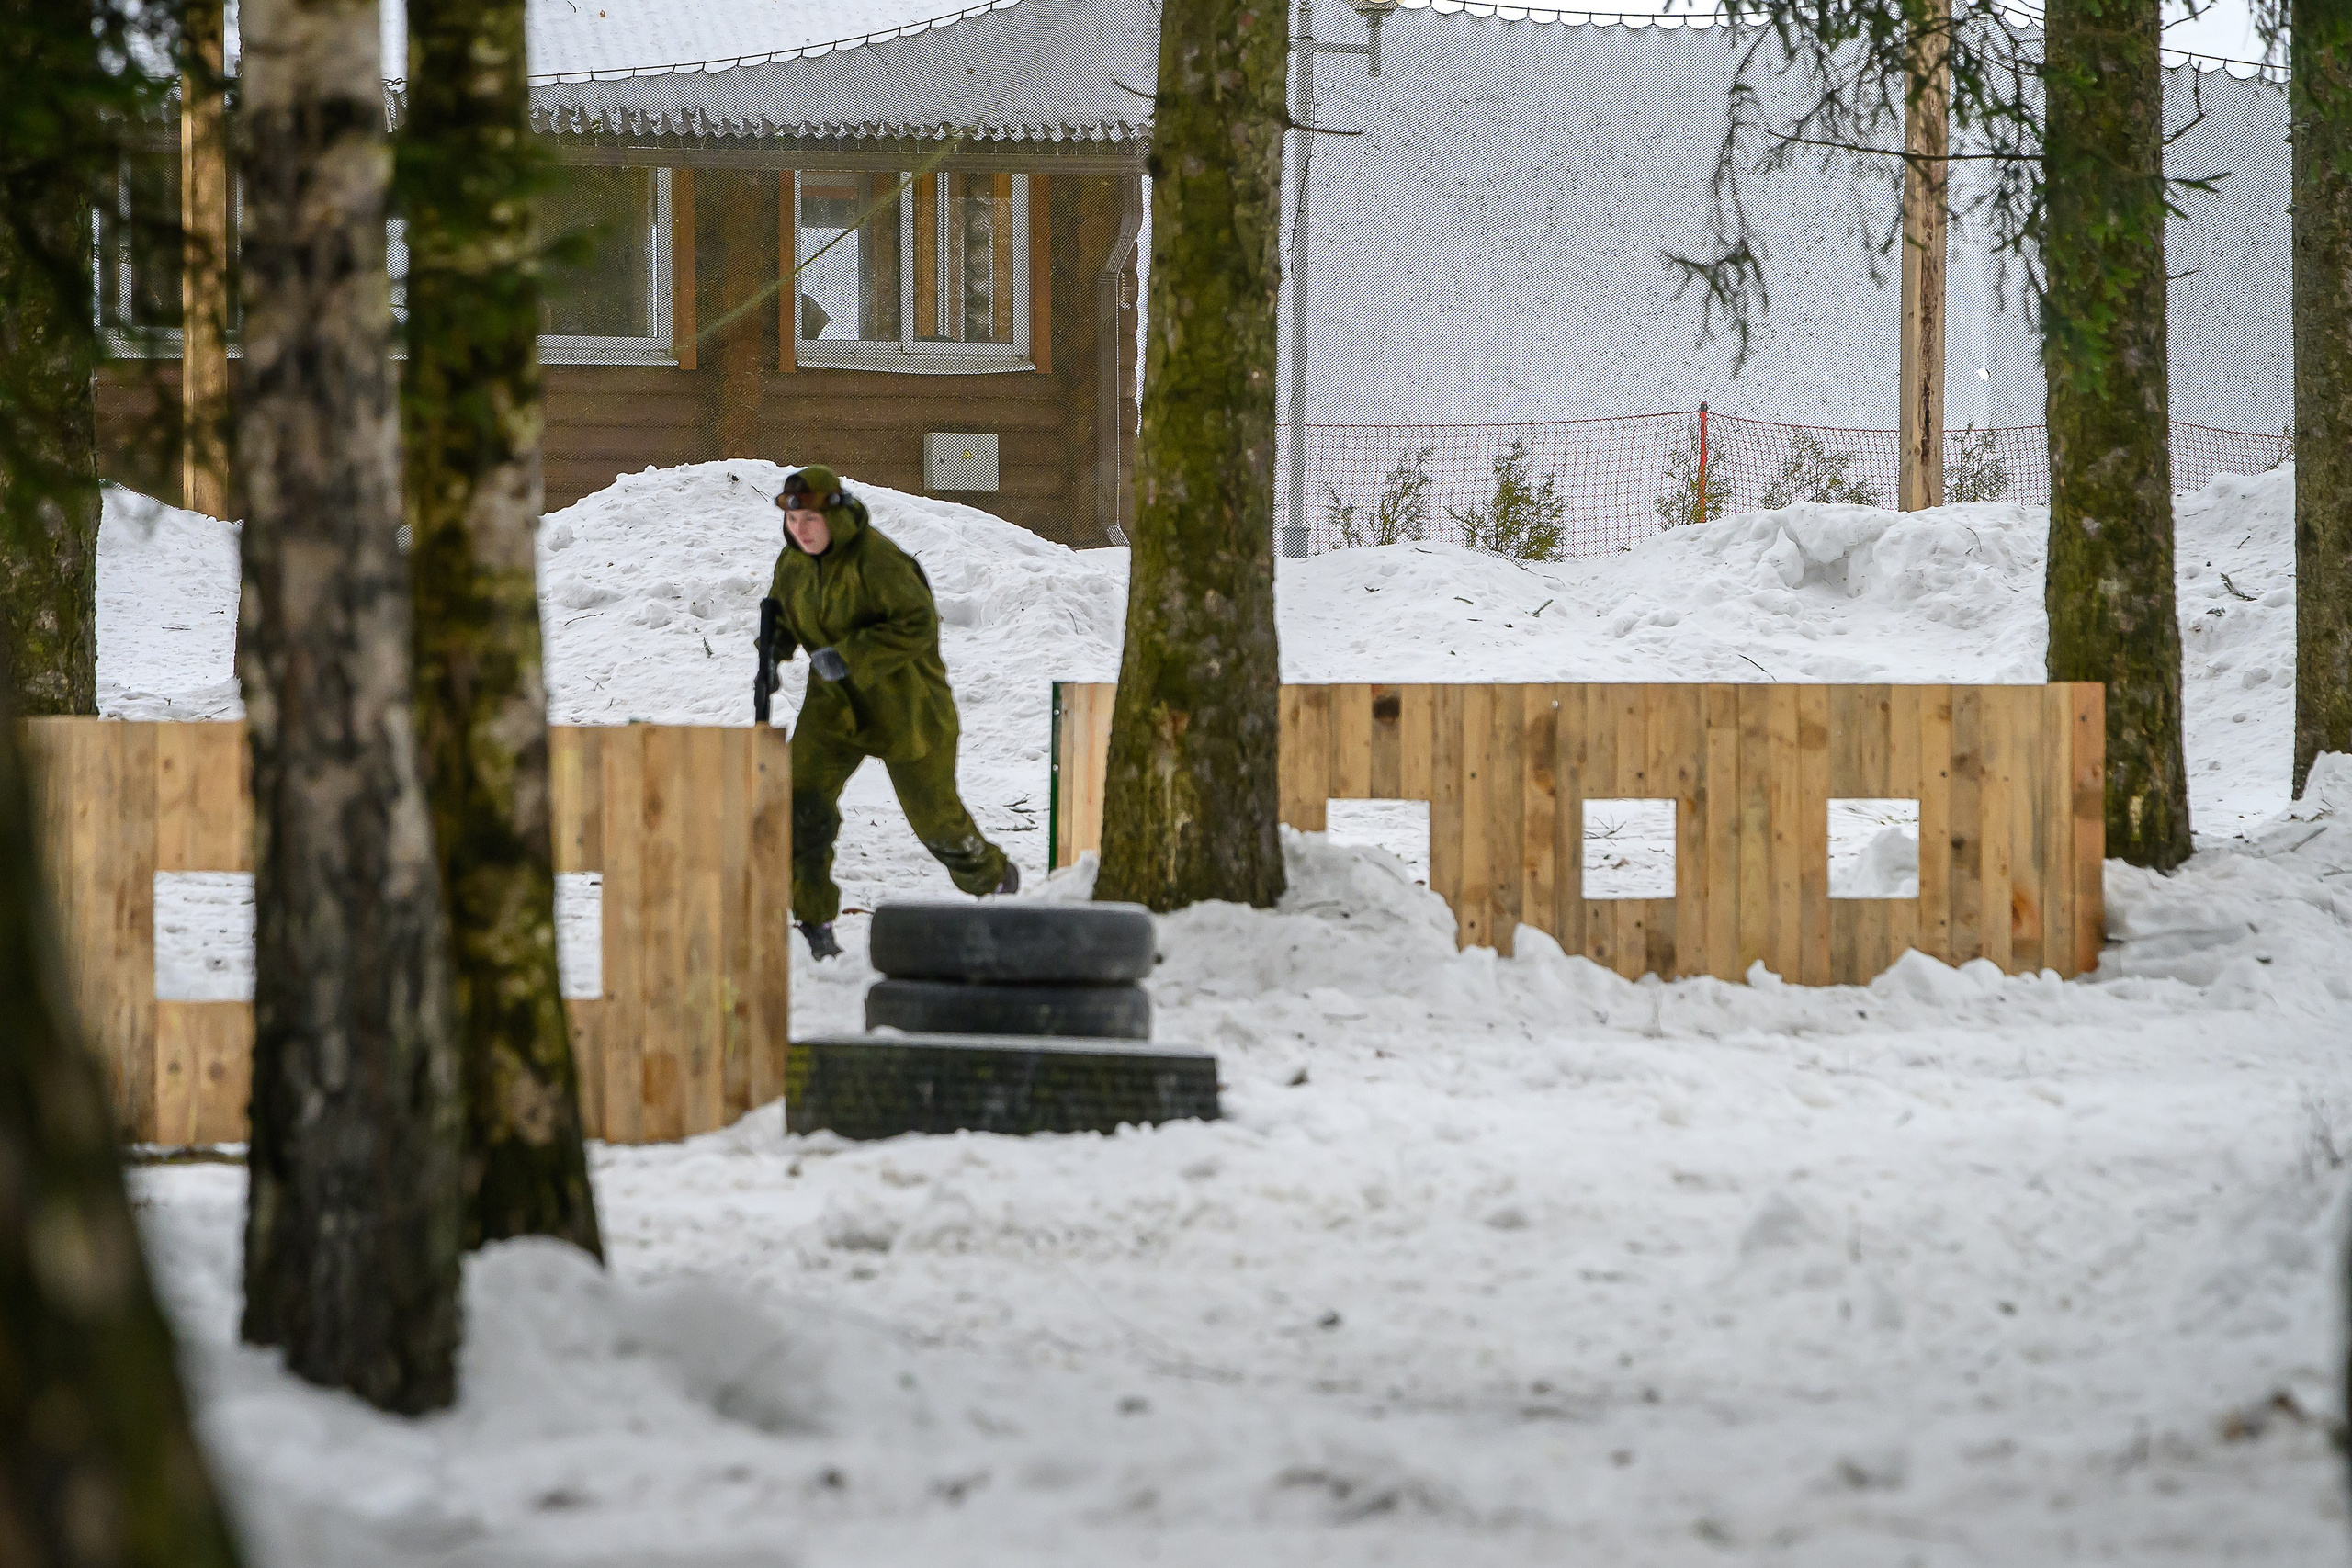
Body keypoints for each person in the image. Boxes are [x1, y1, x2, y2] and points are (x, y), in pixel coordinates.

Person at [762, 465, 1014, 959]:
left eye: (810, 519)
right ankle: (814, 921)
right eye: (793, 521)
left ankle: (994, 879)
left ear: (836, 515)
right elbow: (782, 615)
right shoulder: (793, 563)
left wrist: (851, 655)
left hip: (906, 707)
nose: (801, 531)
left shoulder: (880, 561)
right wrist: (771, 654)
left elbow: (918, 623)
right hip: (834, 709)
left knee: (938, 822)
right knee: (800, 804)